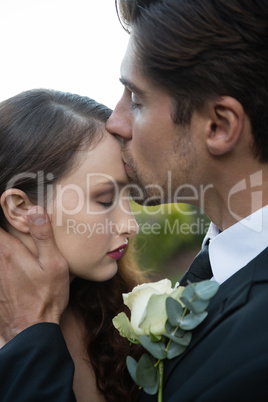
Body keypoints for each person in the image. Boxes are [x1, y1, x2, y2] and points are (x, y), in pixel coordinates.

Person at [0, 0, 267, 400]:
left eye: (137, 100)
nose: (115, 121)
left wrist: (27, 337)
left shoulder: (253, 351)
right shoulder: (210, 273)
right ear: (19, 208)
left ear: (219, 125)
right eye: (105, 198)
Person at [0, 89, 144, 402]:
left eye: (129, 196)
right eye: (105, 200)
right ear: (20, 209)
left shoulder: (120, 313)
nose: (130, 224)